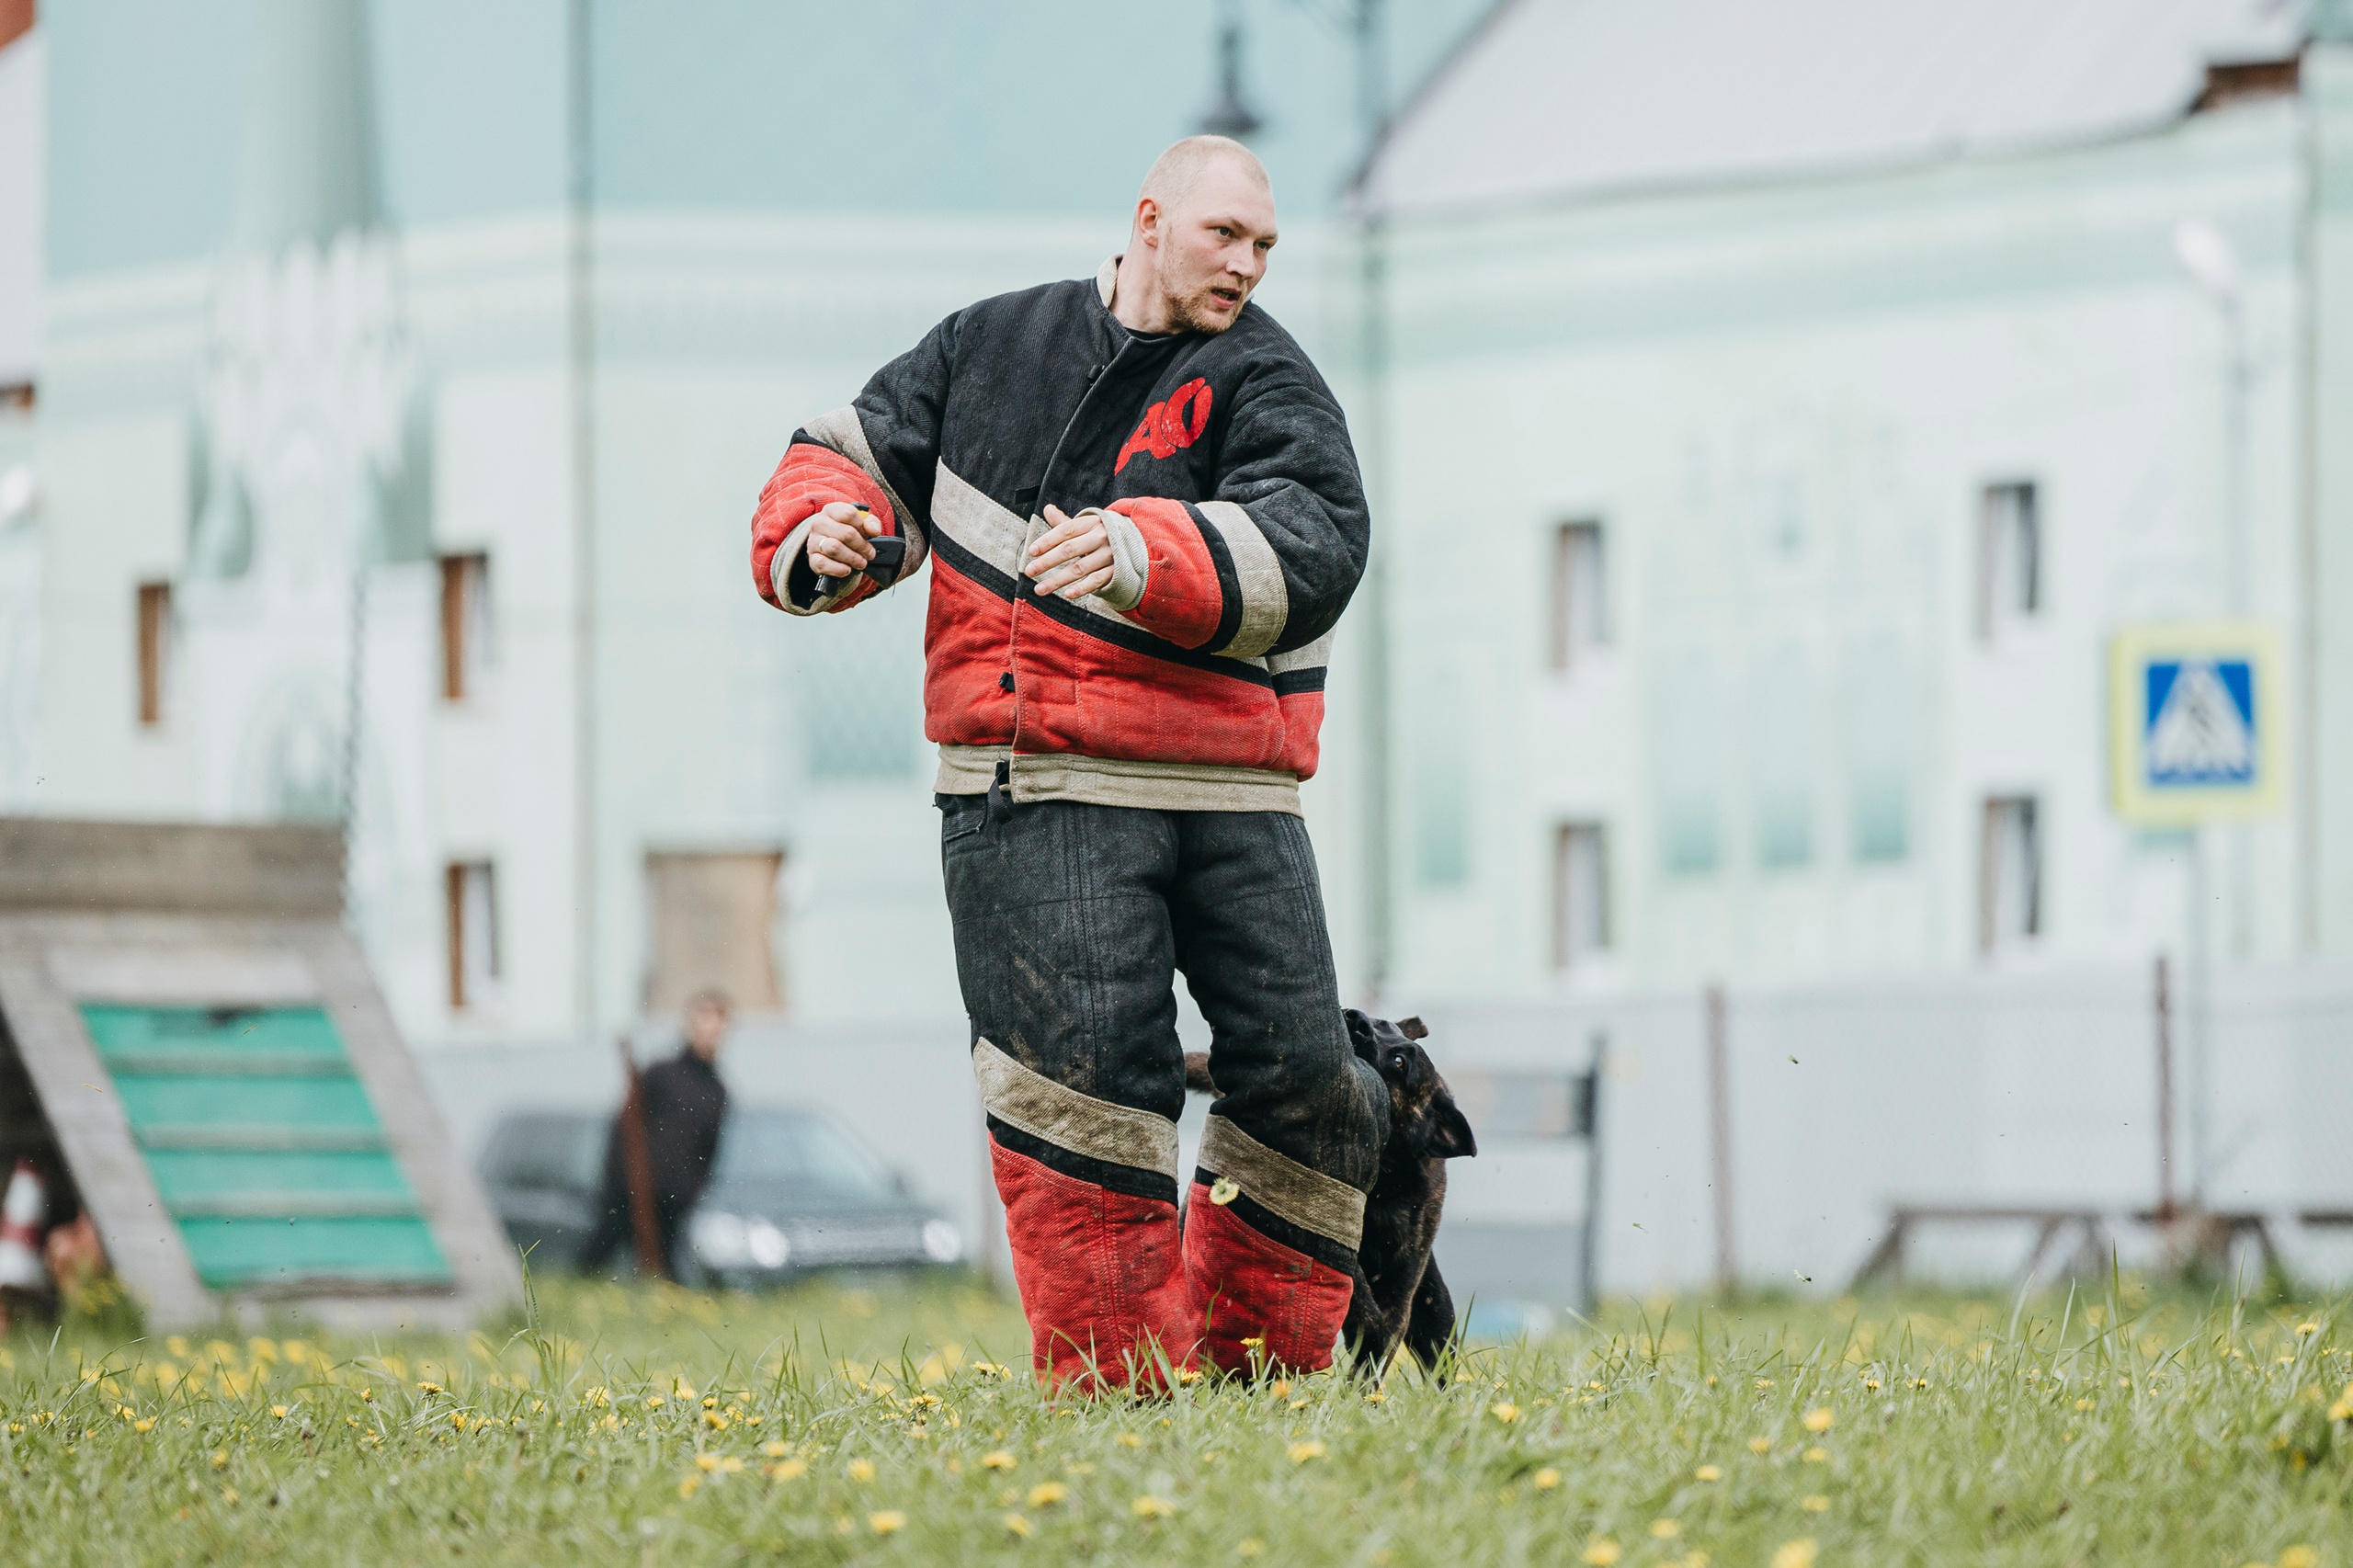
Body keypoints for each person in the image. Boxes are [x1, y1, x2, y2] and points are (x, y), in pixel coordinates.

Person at [749, 136, 1387, 1389]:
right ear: (1151, 221)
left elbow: (1321, 540)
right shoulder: (989, 346)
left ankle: (1263, 1378)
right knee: (1088, 1092)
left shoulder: (1272, 377)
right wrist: (827, 534)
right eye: (1226, 238)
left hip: (1232, 793)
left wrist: (1144, 552)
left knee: (1309, 1079)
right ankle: (1120, 1397)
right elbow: (852, 453)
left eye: (1265, 247)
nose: (1249, 267)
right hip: (1033, 789)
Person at [578, 990, 733, 1278]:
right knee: (595, 1261)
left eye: (717, 1024)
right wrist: (622, 1181)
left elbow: (709, 1150)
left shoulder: (717, 1091)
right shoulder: (661, 1075)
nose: (710, 1031)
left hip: (673, 1204)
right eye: (704, 1021)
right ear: (690, 1025)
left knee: (663, 1273)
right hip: (630, 1193)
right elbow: (625, 1128)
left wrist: (691, 1190)